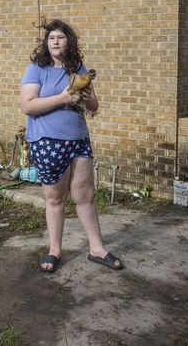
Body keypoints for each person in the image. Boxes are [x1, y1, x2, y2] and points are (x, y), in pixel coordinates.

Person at [20, 19, 122, 273]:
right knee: (55, 198)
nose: (55, 41)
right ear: (46, 43)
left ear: (69, 42)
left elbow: (94, 106)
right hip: (48, 141)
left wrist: (87, 98)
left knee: (85, 196)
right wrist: (63, 98)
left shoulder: (77, 67)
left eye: (60, 37)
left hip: (78, 140)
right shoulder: (37, 69)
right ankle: (54, 250)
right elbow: (28, 105)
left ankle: (96, 249)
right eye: (51, 37)